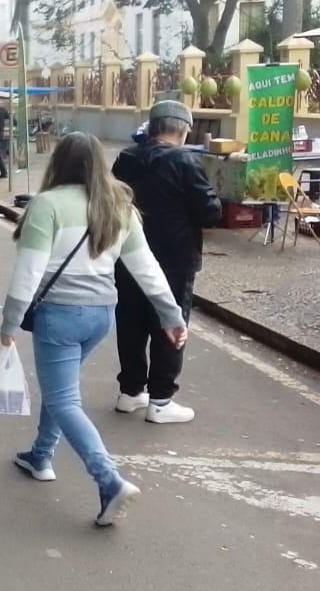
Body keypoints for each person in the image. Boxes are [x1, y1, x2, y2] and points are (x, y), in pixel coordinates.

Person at [0, 132, 187, 527]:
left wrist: (10, 321)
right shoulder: (120, 207)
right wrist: (171, 316)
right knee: (61, 389)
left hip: (60, 316)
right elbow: (147, 270)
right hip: (101, 315)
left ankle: (109, 481)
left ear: (58, 164)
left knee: (64, 398)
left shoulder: (46, 205)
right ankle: (40, 455)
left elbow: (29, 272)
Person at [112, 100, 222, 423]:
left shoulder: (126, 158)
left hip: (128, 256)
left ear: (152, 128)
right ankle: (160, 399)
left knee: (130, 325)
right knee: (170, 323)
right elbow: (209, 212)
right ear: (184, 130)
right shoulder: (184, 162)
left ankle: (130, 391)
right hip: (175, 259)